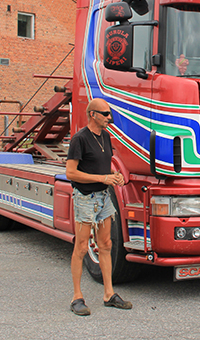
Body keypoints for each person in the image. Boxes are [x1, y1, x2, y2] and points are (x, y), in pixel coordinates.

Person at [66, 98, 132, 316]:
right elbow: (71, 173)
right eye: (105, 114)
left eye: (109, 113)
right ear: (92, 114)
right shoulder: (79, 139)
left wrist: (116, 177)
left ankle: (109, 294)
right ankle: (76, 298)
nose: (109, 117)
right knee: (82, 247)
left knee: (106, 244)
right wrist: (102, 178)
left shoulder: (105, 136)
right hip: (86, 198)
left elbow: (106, 166)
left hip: (104, 197)